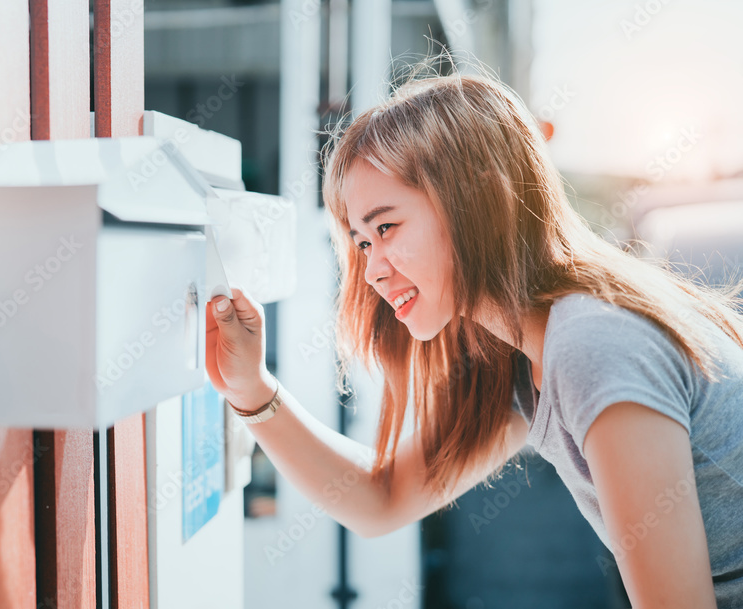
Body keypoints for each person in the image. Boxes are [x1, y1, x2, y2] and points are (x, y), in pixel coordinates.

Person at [205, 58, 743, 608]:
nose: (372, 270)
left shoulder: (593, 345)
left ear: (483, 198)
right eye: (363, 242)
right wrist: (250, 389)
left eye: (386, 227)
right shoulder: (514, 361)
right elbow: (382, 499)